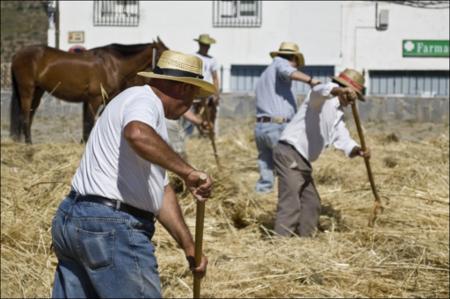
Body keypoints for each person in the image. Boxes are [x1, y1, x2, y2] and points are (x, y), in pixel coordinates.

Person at [50, 50, 216, 298]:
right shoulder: (144, 100)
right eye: (193, 96)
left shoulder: (132, 104)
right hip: (111, 228)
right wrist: (188, 172)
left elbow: (160, 191)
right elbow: (137, 133)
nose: (190, 105)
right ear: (183, 88)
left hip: (73, 221)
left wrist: (190, 247)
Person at [273, 68, 371, 237]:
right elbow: (318, 90)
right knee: (291, 203)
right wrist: (339, 90)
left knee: (312, 203)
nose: (351, 101)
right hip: (290, 152)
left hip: (302, 160)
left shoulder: (337, 114)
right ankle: (279, 245)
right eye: (351, 95)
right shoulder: (321, 99)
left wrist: (358, 150)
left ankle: (304, 241)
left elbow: (343, 138)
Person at [254, 41, 321, 193]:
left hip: (261, 127)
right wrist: (311, 81)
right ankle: (289, 200)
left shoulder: (265, 74)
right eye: (296, 64)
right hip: (277, 126)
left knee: (266, 167)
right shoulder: (281, 64)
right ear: (294, 58)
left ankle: (262, 197)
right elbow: (288, 71)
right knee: (289, 166)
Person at [183, 33, 221, 136]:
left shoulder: (212, 60)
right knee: (190, 114)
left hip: (207, 92)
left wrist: (216, 93)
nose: (207, 47)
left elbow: (215, 78)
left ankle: (210, 135)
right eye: (204, 45)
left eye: (208, 45)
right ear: (200, 45)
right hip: (194, 91)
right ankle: (189, 136)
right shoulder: (193, 57)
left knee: (210, 115)